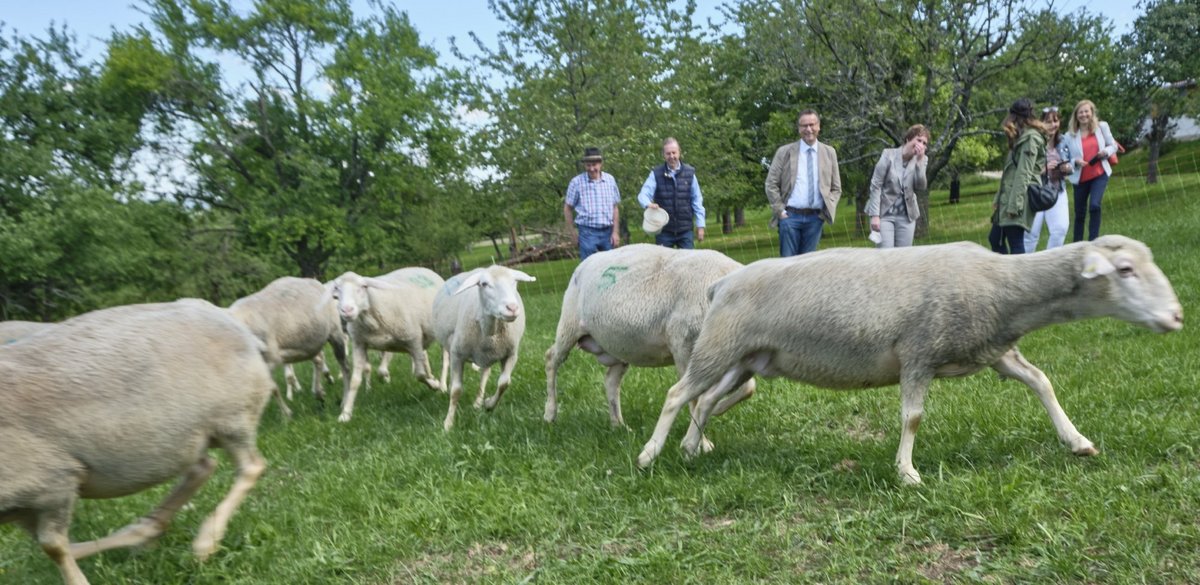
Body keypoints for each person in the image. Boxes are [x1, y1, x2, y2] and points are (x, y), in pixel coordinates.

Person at [765, 109, 842, 256]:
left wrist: (825, 213)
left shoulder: (829, 152)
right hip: (790, 217)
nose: (808, 129)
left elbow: (836, 187)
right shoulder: (784, 152)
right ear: (799, 128)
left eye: (812, 125)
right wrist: (780, 211)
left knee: (808, 265)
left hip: (815, 219)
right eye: (804, 125)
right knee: (787, 264)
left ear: (819, 126)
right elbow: (771, 184)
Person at [989, 98, 1047, 255]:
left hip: (1019, 198)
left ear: (1015, 117)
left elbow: (1024, 173)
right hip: (1008, 196)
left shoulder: (1031, 139)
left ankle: (1018, 272)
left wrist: (1015, 205)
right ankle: (1004, 269)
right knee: (995, 239)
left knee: (1015, 241)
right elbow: (1009, 173)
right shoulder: (1021, 137)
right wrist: (998, 199)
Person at [866, 124, 930, 248]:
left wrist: (920, 163)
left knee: (904, 257)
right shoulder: (888, 155)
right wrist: (875, 216)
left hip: (907, 217)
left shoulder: (922, 159)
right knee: (886, 255)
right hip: (884, 215)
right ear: (908, 139)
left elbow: (921, 186)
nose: (921, 145)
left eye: (924, 143)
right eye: (918, 140)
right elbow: (876, 185)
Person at [636, 137, 706, 248]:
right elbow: (643, 194)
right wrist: (648, 204)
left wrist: (700, 225)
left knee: (688, 260)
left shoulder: (690, 173)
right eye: (668, 153)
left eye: (674, 152)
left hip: (685, 230)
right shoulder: (656, 174)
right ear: (663, 155)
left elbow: (697, 200)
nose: (671, 156)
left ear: (679, 153)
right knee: (662, 260)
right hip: (664, 231)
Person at [1065, 99, 1119, 242]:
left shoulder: (1102, 127)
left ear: (1092, 112)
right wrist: (1075, 162)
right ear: (1076, 115)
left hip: (1099, 174)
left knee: (1095, 205)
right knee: (1079, 214)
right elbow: (1065, 159)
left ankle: (1093, 241)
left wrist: (1105, 152)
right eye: (1080, 112)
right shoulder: (1069, 136)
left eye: (1086, 111)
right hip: (1080, 178)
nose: (1084, 115)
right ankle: (1077, 245)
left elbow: (1113, 145)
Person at [1023, 106, 1073, 252]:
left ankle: (1049, 261)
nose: (1053, 125)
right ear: (1041, 122)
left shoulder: (1063, 140)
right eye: (1048, 121)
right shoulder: (1033, 140)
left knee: (1060, 229)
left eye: (1055, 121)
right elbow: (1024, 170)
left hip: (1057, 190)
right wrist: (1044, 170)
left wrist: (1067, 168)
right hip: (1035, 192)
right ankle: (1026, 263)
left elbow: (1072, 163)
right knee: (1030, 234)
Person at [564, 147, 621, 260]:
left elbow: (615, 207)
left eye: (594, 165)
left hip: (608, 231)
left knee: (610, 265)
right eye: (588, 165)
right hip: (587, 233)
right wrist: (572, 232)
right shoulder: (576, 182)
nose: (591, 168)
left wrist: (615, 232)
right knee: (588, 265)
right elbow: (567, 208)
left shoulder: (610, 180)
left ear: (600, 164)